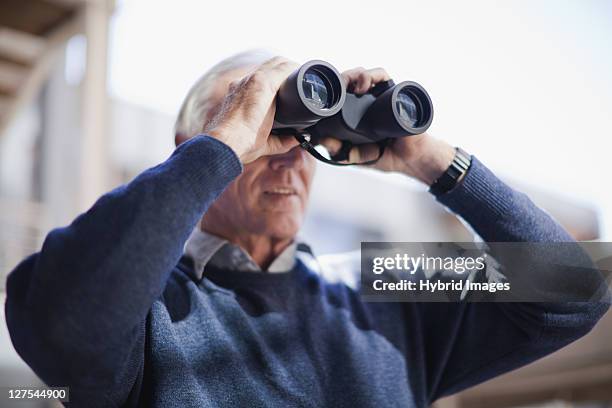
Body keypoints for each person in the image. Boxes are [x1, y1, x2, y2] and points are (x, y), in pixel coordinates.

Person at [4, 51, 609, 408]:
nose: (291, 155)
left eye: (305, 136)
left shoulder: (383, 281)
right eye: (266, 133)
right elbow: (65, 320)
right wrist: (224, 145)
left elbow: (575, 288)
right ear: (195, 151)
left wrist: (432, 161)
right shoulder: (151, 307)